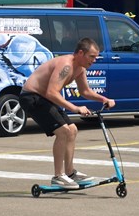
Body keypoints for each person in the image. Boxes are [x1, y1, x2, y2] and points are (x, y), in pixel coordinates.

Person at [19, 38, 115, 190]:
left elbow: (85, 91)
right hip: (32, 97)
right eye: (91, 56)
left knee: (72, 130)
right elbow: (52, 92)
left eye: (96, 57)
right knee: (63, 131)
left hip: (44, 98)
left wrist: (104, 99)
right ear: (80, 53)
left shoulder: (80, 68)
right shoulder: (66, 65)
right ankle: (58, 176)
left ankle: (70, 173)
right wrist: (75, 108)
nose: (94, 60)